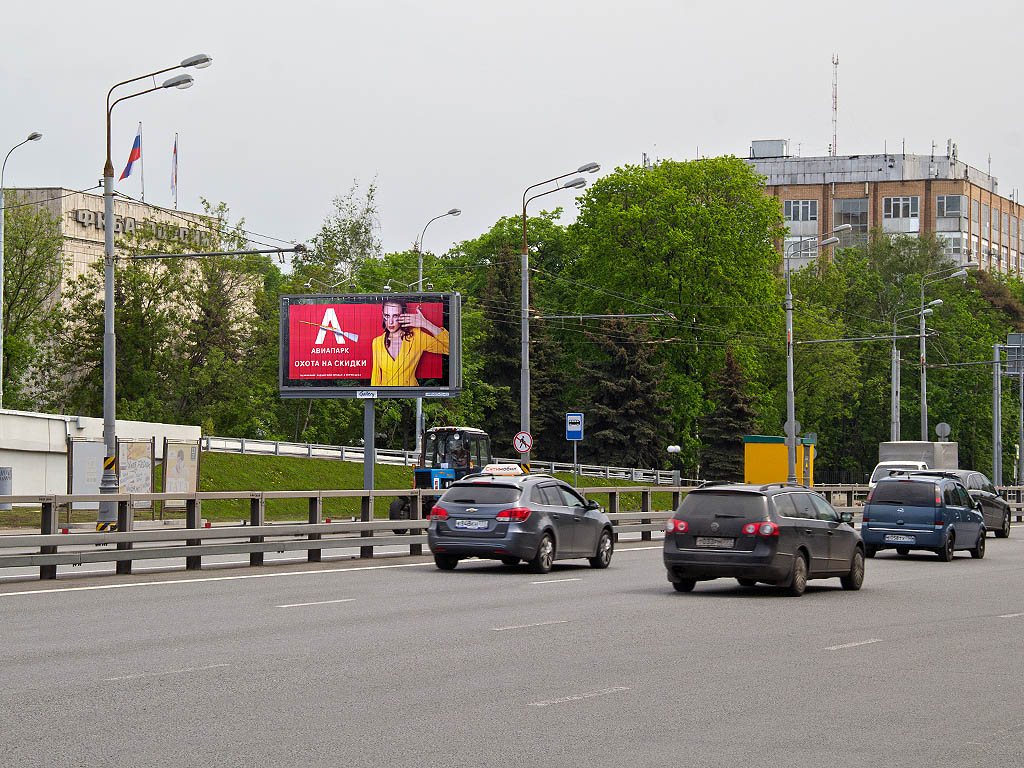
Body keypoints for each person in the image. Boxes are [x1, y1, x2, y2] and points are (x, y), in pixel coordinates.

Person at [370, 299, 449, 386]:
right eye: (387, 316)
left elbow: (451, 348)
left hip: (410, 395)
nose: (391, 321)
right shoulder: (377, 342)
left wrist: (426, 324)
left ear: (404, 314)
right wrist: (375, 398)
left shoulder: (416, 337)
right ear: (383, 315)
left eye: (395, 316)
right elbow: (376, 376)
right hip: (385, 397)